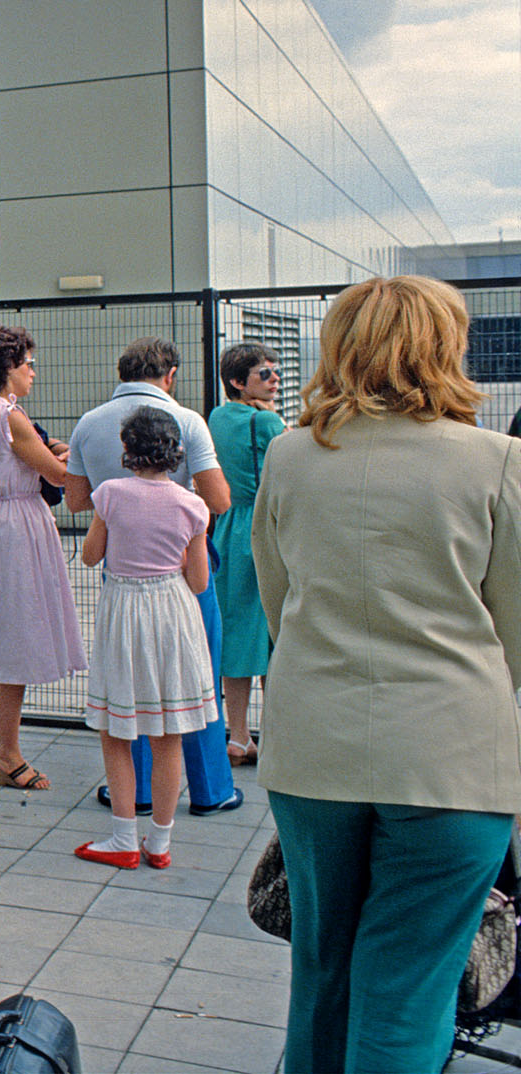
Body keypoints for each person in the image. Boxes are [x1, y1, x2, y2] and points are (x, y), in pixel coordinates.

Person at [254, 275, 521, 1074]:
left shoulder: (291, 454)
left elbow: (278, 601)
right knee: (407, 988)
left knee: (322, 971)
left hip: (315, 751)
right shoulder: (496, 460)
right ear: (446, 345)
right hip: (452, 760)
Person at [65, 336, 241, 817]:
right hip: (180, 572)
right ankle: (210, 790)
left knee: (129, 678)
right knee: (194, 676)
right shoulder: (187, 421)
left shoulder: (88, 423)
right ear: (171, 375)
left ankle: (135, 793)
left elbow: (77, 500)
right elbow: (219, 500)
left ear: (121, 374)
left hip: (121, 570)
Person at [74, 408, 217, 871]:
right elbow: (198, 582)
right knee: (168, 730)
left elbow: (90, 557)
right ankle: (159, 842)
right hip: (173, 612)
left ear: (127, 449)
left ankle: (122, 838)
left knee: (118, 730)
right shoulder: (193, 505)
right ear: (175, 452)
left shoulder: (110, 493)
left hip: (124, 611)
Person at [0, 324, 84, 792]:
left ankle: (4, 744)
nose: (33, 372)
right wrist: (78, 456)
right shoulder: (8, 415)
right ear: (9, 368)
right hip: (15, 525)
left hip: (6, 522)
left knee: (12, 632)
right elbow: (57, 474)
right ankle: (3, 748)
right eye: (28, 363)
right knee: (14, 635)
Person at [207, 342, 285, 765]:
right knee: (277, 635)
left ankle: (237, 735)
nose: (274, 380)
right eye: (265, 374)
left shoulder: (218, 416)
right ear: (239, 381)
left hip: (228, 529)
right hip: (266, 530)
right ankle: (278, 735)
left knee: (237, 633)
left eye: (275, 373)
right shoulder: (267, 422)